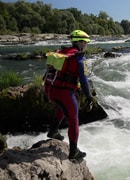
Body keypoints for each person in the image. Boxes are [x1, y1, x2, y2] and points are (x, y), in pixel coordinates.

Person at [43, 30, 92, 160]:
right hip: (64, 93)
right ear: (80, 42)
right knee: (73, 120)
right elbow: (84, 80)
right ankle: (73, 152)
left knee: (62, 108)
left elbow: (49, 71)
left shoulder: (61, 52)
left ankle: (53, 131)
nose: (86, 45)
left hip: (50, 90)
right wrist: (88, 97)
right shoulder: (79, 57)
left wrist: (46, 91)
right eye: (85, 42)